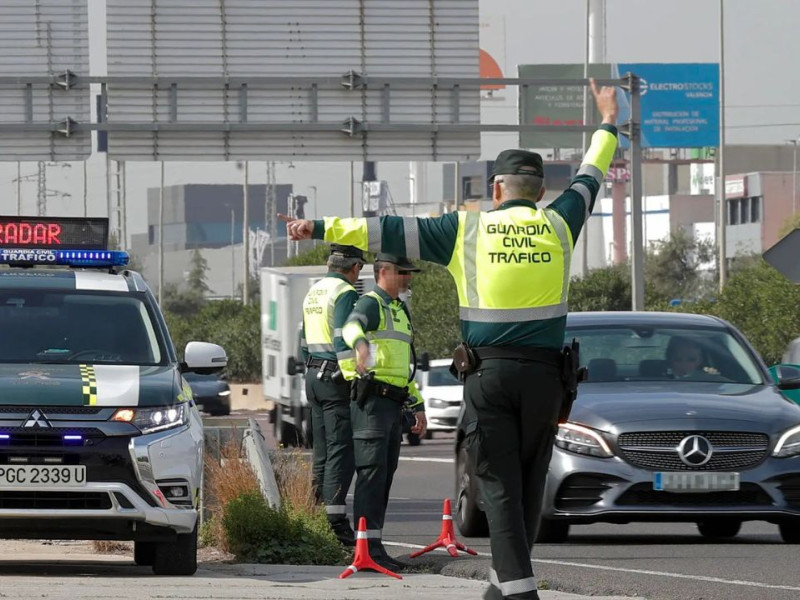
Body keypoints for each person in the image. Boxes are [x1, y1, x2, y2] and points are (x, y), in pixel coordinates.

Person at [282, 78, 619, 599]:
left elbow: (384, 231)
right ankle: (499, 585)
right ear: (539, 192)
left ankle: (520, 590)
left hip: (490, 375)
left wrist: (318, 227)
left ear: (497, 190)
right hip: (548, 376)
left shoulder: (466, 230)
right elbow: (591, 174)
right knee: (530, 478)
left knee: (497, 481)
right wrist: (607, 119)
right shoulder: (560, 223)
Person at [341, 253, 427, 572]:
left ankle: (374, 547)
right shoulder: (372, 303)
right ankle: (364, 550)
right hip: (373, 402)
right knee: (372, 474)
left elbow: (403, 365)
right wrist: (361, 346)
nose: (408, 278)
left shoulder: (399, 310)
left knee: (384, 475)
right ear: (384, 272)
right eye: (403, 272)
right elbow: (351, 327)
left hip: (394, 402)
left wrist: (416, 403)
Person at [300, 243, 364, 546]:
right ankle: (336, 522)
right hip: (334, 376)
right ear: (355, 268)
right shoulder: (346, 293)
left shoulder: (314, 291)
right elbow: (343, 337)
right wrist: (354, 376)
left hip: (313, 374)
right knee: (342, 449)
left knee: (322, 450)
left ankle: (313, 515)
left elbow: (302, 340)